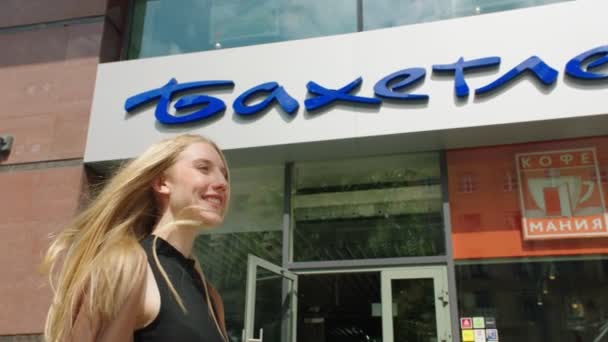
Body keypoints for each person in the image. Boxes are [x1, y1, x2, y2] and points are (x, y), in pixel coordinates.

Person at [40, 134, 231, 342]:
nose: (222, 183)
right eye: (204, 168)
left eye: (224, 175)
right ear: (162, 183)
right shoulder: (126, 266)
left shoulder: (210, 295)